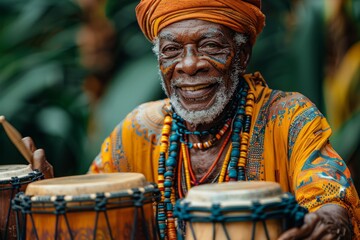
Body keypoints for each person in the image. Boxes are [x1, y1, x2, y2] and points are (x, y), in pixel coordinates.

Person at [25, 0, 360, 239]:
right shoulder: (137, 132)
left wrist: (330, 220)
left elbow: (330, 193)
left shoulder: (289, 119)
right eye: (171, 51)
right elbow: (92, 214)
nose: (188, 65)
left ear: (241, 54)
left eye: (210, 46)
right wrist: (49, 196)